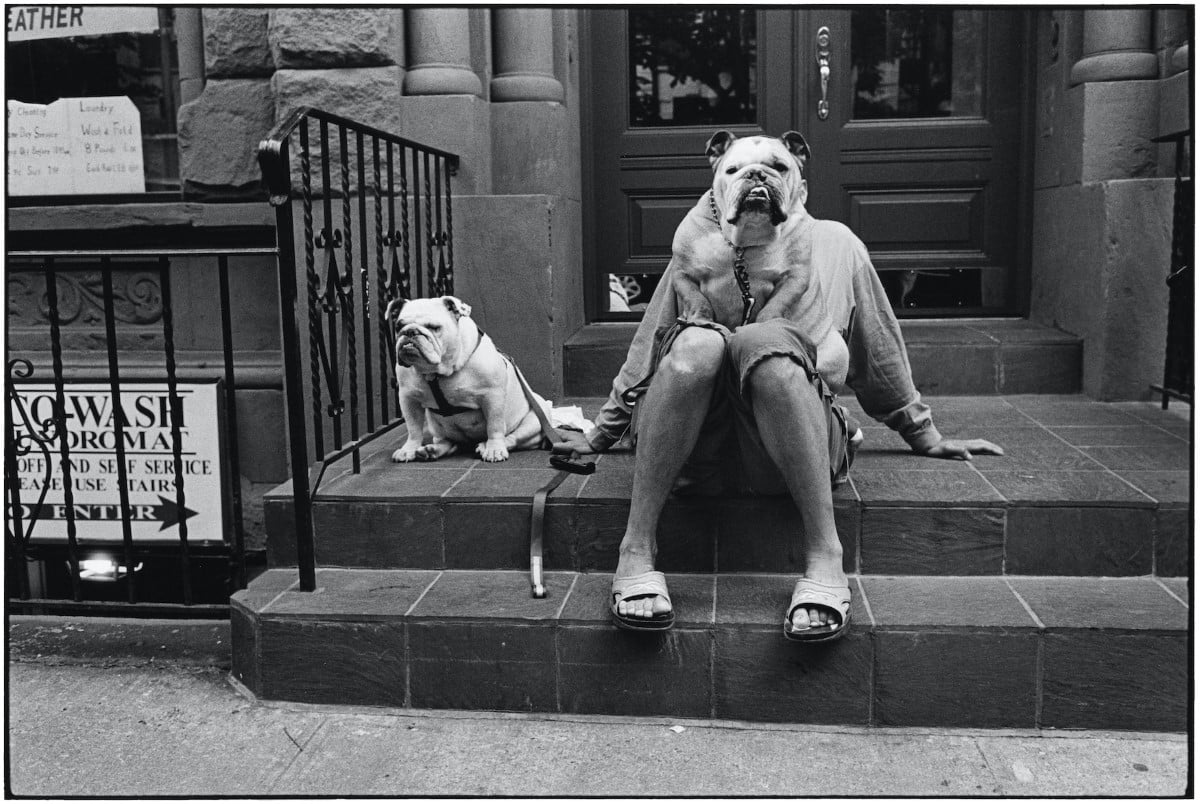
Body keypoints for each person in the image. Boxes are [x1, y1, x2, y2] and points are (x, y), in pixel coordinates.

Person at [554, 130, 1002, 642]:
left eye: (776, 168)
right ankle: (635, 546)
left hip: (787, 446)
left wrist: (922, 433)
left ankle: (824, 554)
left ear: (801, 184)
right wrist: (600, 433)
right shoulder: (701, 245)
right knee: (696, 346)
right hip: (697, 452)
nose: (757, 180)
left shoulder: (835, 244)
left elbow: (876, 345)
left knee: (770, 348)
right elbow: (652, 343)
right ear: (716, 187)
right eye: (739, 171)